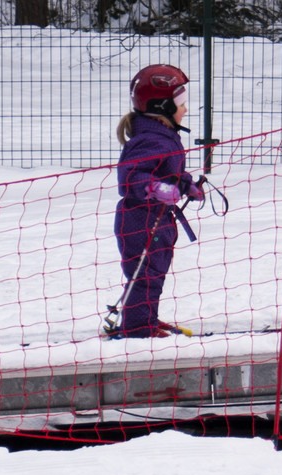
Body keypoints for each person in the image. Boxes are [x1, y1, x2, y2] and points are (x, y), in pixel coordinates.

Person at [111, 64, 204, 338]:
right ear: (161, 106)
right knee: (144, 274)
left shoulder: (164, 137)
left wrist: (187, 185)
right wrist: (155, 188)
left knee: (155, 273)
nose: (185, 109)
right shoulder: (151, 139)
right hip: (140, 219)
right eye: (180, 103)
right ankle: (138, 328)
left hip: (158, 218)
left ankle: (147, 319)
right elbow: (130, 177)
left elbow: (169, 171)